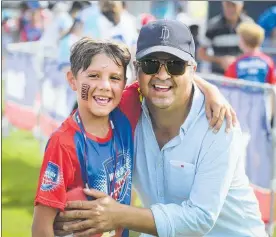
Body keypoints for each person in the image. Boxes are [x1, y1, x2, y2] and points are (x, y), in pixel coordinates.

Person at [52, 20, 267, 237]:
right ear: (137, 70)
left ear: (192, 69)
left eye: (175, 64)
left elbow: (200, 218)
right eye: (150, 64)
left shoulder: (220, 123)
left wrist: (118, 215)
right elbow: (73, 137)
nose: (162, 74)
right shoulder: (125, 110)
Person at [32, 38, 136, 237]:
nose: (105, 85)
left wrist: (210, 91)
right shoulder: (63, 143)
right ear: (72, 80)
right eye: (94, 75)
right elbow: (40, 228)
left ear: (124, 84)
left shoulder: (124, 116)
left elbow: (162, 84)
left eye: (115, 78)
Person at [198, 1, 253, 75]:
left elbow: (255, 51)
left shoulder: (249, 25)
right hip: (218, 77)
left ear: (241, 6)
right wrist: (220, 60)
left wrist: (236, 61)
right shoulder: (212, 25)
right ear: (223, 5)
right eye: (227, 5)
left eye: (233, 5)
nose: (230, 8)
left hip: (242, 75)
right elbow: (201, 54)